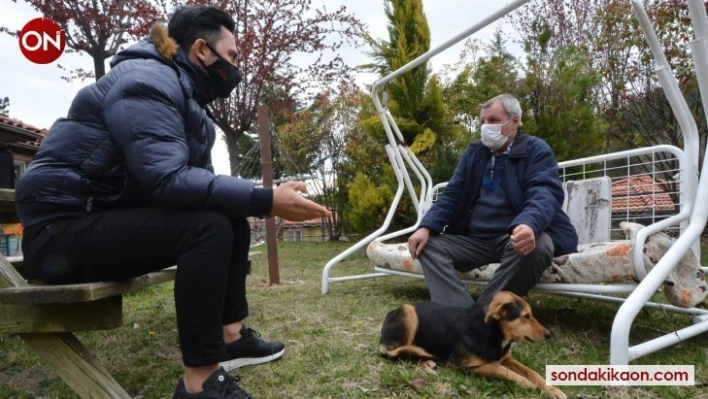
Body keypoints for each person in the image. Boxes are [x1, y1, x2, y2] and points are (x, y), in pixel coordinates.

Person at [15, 5, 331, 399]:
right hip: (59, 234)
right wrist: (264, 198)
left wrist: (255, 198)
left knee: (226, 217)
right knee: (208, 227)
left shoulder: (181, 92)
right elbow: (168, 180)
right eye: (231, 57)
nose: (235, 69)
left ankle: (230, 337)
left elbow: (195, 185)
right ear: (202, 49)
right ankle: (199, 383)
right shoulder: (146, 81)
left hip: (94, 220)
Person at [407, 94, 578, 308]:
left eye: (494, 121)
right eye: (484, 121)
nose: (486, 127)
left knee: (538, 245)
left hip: (512, 237)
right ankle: (459, 311)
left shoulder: (536, 150)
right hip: (475, 240)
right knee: (428, 245)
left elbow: (544, 192)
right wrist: (426, 226)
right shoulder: (475, 153)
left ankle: (484, 312)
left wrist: (529, 224)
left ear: (515, 121)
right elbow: (452, 194)